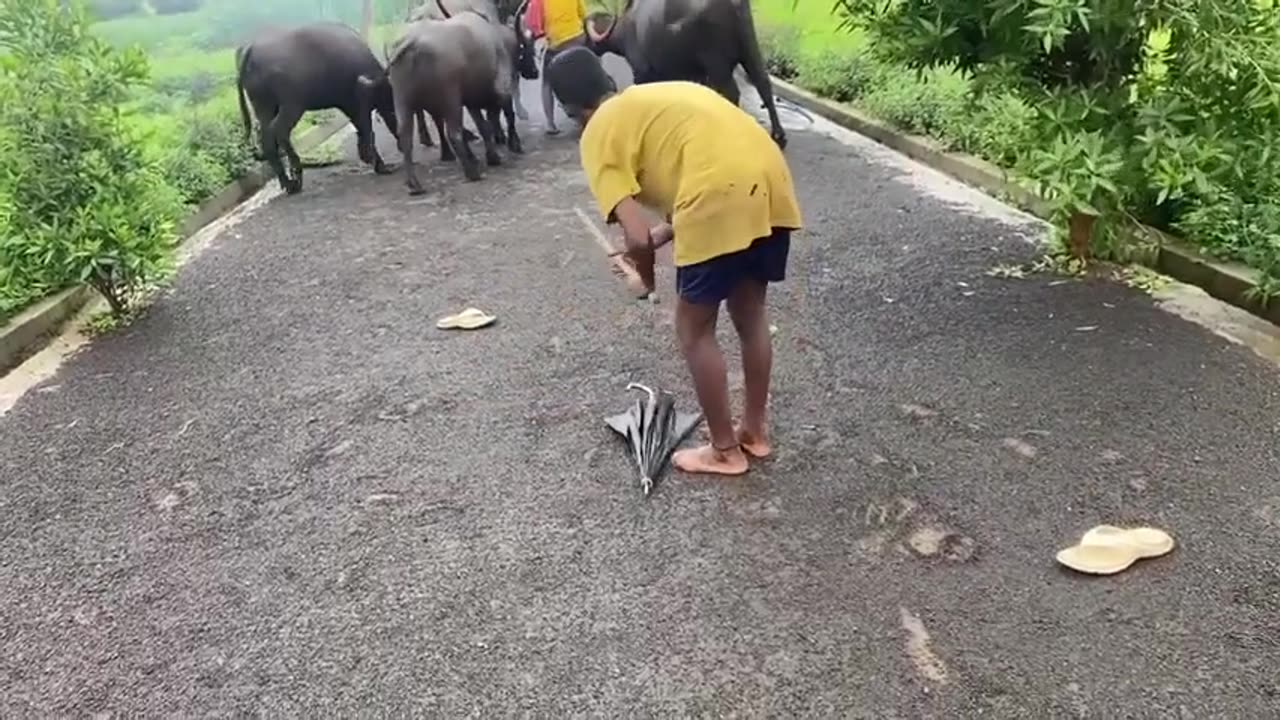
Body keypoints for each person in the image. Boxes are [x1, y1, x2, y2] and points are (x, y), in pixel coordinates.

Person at [547, 47, 804, 477]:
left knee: (693, 328)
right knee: (750, 313)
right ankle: (754, 432)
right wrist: (661, 235)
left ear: (569, 107)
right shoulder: (659, 95)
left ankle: (725, 451)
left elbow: (634, 236)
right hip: (770, 179)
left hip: (716, 194)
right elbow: (697, 164)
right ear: (607, 79)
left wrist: (644, 280)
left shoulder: (596, 133)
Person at [524, 0, 588, 135]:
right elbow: (584, 15)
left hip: (555, 42)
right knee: (581, 76)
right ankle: (584, 116)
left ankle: (550, 123)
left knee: (547, 83)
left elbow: (534, 25)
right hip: (577, 38)